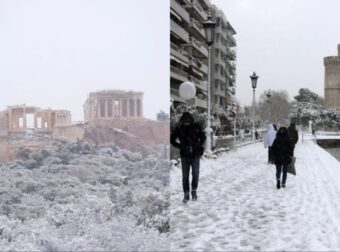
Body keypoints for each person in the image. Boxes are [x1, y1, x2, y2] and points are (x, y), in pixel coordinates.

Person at [170, 112, 206, 203]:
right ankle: (186, 193)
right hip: (185, 155)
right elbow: (172, 139)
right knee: (185, 176)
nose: (186, 123)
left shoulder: (196, 127)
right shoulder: (180, 129)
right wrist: (180, 146)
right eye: (185, 122)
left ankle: (194, 190)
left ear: (190, 120)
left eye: (188, 121)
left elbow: (203, 137)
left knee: (195, 173)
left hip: (195, 155)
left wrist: (198, 144)